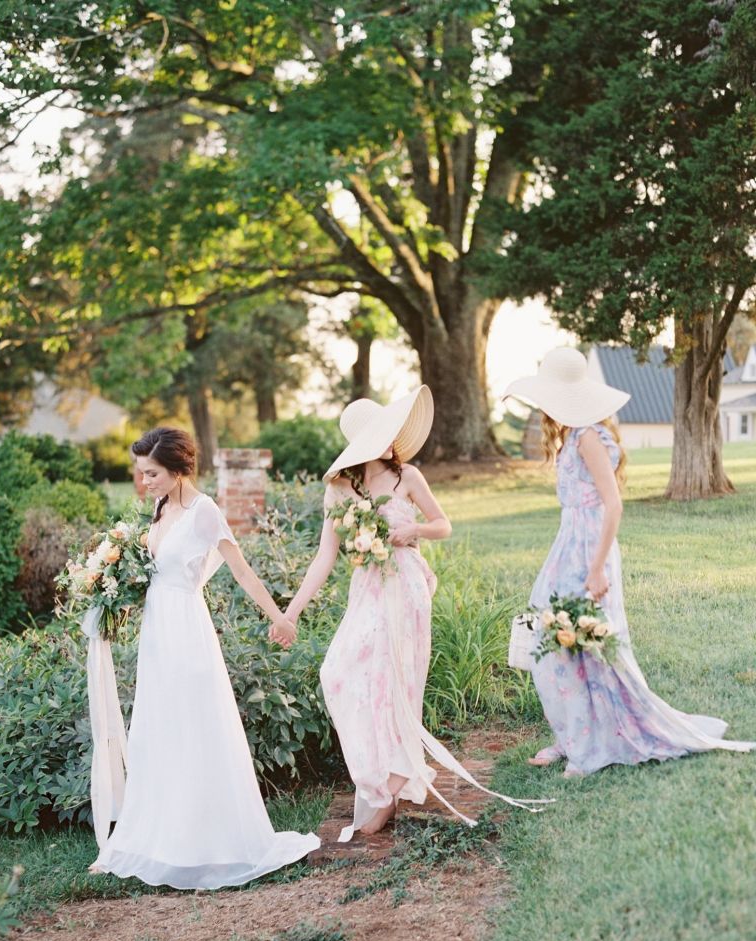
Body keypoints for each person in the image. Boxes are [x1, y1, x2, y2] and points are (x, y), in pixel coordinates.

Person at [273, 387, 546, 841]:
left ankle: (391, 786)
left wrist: (411, 529)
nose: (385, 440)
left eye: (386, 431)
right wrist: (291, 613)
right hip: (367, 591)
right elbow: (324, 557)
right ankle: (381, 778)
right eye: (374, 436)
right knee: (338, 673)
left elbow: (443, 524)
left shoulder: (408, 477)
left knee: (394, 682)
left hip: (406, 589)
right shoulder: (340, 488)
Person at [504, 346, 754, 777]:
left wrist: (597, 567)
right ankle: (571, 735)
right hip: (568, 545)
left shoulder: (588, 437)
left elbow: (613, 505)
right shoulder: (570, 435)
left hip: (590, 550)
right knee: (556, 642)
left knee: (586, 642)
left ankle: (591, 744)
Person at [90, 427, 319, 887]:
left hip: (187, 634)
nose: (145, 481)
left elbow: (240, 569)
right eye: (141, 473)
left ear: (178, 470)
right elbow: (153, 572)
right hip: (157, 635)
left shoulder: (203, 511)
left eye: (152, 473)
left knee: (194, 728)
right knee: (158, 730)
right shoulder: (160, 508)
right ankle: (153, 838)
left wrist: (280, 616)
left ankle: (207, 842)